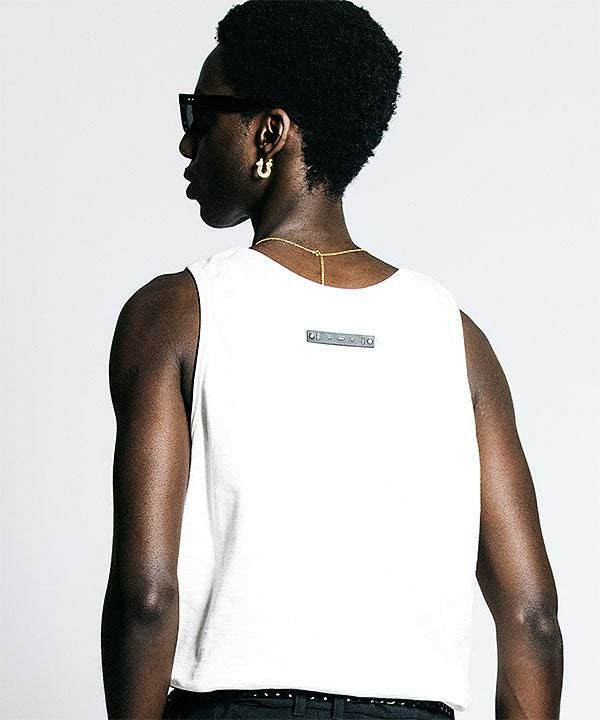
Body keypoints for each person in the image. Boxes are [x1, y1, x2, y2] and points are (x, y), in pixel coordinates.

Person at [101, 1, 563, 719]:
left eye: (201, 113)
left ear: (269, 132)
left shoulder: (175, 316)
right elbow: (532, 617)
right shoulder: (456, 337)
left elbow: (147, 598)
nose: (187, 141)